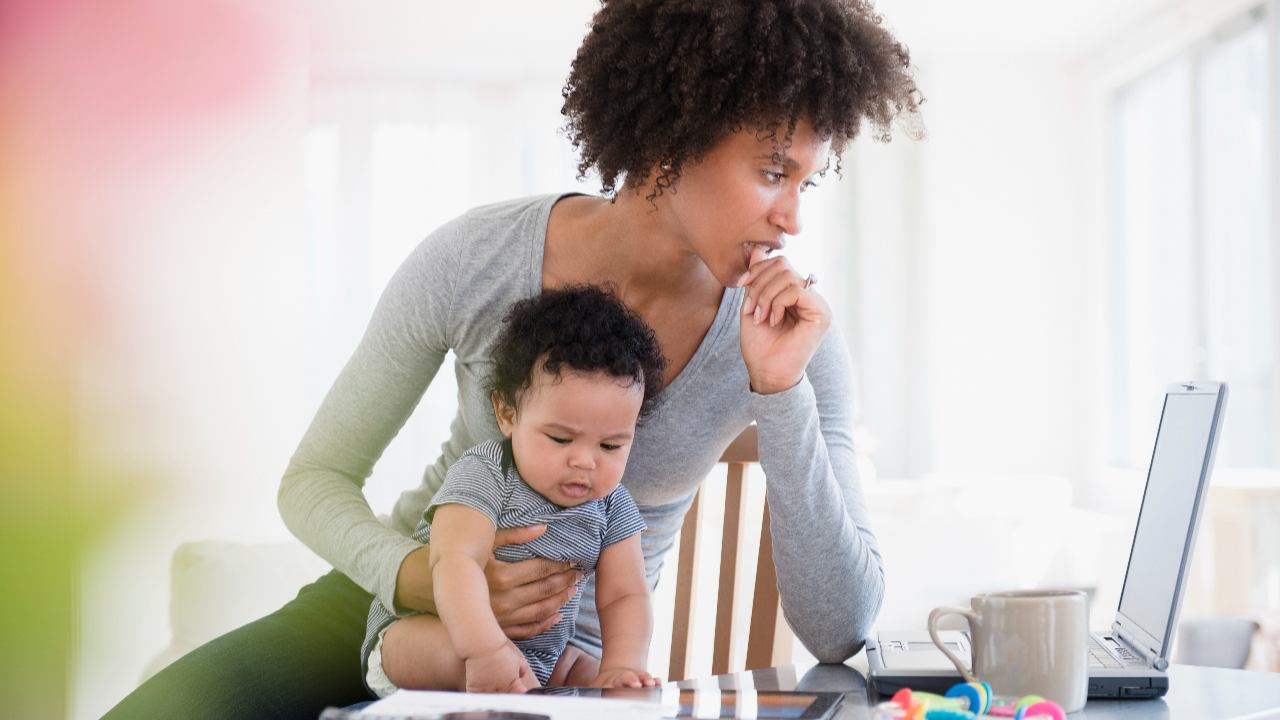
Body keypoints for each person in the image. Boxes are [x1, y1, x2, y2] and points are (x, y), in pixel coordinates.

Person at [102, 0, 920, 717]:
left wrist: (778, 391)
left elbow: (843, 625)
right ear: (675, 134)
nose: (792, 218)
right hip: (397, 609)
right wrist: (427, 580)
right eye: (774, 172)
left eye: (806, 183)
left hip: (563, 670)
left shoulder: (792, 336)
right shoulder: (475, 258)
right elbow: (312, 481)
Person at [363, 286, 664, 695]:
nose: (585, 462)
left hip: (540, 657)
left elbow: (625, 594)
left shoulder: (611, 506)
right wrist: (486, 650)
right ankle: (482, 668)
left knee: (593, 674)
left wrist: (622, 664)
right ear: (507, 414)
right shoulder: (487, 472)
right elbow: (454, 562)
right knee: (457, 656)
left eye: (610, 445)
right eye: (560, 439)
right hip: (426, 635)